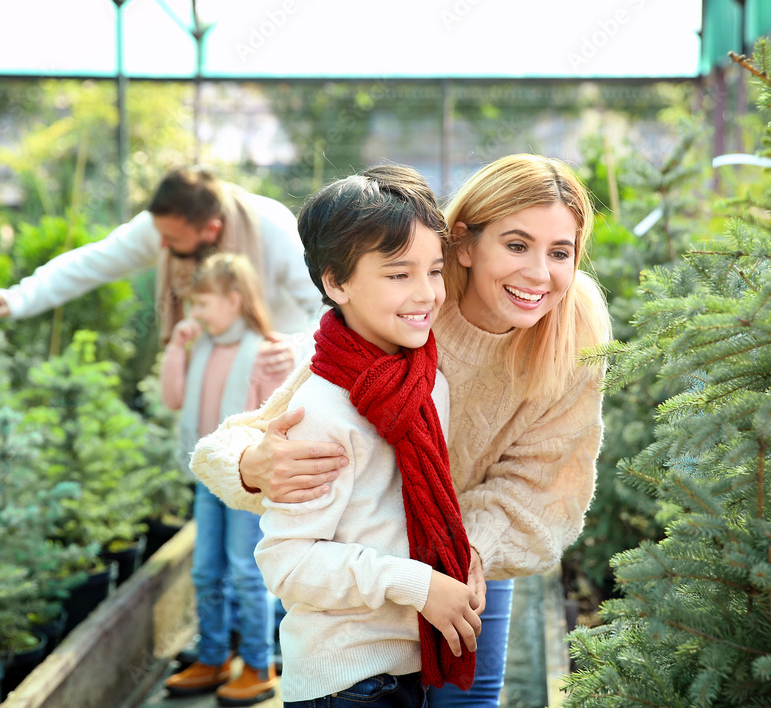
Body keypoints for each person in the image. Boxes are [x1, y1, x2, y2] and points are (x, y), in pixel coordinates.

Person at [192, 153, 611, 706]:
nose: (539, 273)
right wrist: (251, 466)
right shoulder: (414, 307)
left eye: (561, 252)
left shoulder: (574, 327)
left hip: (470, 547)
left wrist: (469, 554)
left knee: (467, 699)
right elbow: (259, 432)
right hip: (370, 585)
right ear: (462, 242)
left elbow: (544, 479)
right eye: (515, 245)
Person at [252, 165, 483, 707]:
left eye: (434, 270)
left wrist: (460, 557)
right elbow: (286, 563)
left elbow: (411, 510)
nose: (426, 293)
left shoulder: (428, 380)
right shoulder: (321, 409)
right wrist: (418, 584)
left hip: (404, 671)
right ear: (336, 282)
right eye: (399, 274)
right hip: (345, 682)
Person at [0, 167, 322, 347]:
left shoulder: (270, 226)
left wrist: (290, 351)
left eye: (172, 238)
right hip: (207, 376)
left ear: (211, 230)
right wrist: (17, 298)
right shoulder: (161, 228)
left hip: (274, 376)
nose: (162, 246)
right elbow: (91, 263)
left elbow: (321, 303)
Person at [160, 253, 286, 705]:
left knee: (245, 570)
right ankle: (212, 656)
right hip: (208, 480)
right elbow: (173, 398)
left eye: (203, 304)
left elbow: (272, 421)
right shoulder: (203, 348)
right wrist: (176, 347)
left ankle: (258, 663)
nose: (196, 314)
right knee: (204, 569)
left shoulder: (266, 353)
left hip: (244, 481)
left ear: (234, 301)